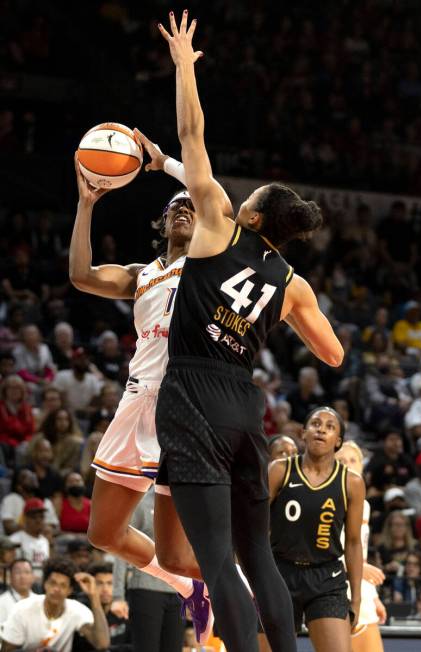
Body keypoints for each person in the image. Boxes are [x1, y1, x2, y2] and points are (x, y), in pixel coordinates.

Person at [155, 13, 343, 652]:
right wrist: (279, 313)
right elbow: (334, 353)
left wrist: (184, 63)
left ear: (253, 213)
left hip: (193, 392)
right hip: (245, 401)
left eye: (247, 196)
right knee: (257, 553)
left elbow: (190, 132)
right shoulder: (293, 283)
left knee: (215, 560)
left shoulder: (217, 224)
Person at [69, 133, 213, 644]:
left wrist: (172, 169)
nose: (182, 210)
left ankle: (236, 585)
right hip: (136, 398)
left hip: (184, 405)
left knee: (181, 543)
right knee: (102, 533)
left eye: (189, 207)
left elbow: (213, 194)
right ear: (161, 223)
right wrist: (87, 205)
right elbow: (82, 275)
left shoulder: (210, 265)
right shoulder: (142, 273)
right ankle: (187, 588)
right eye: (175, 206)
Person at [265, 407, 364, 652]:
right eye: (316, 424)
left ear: (338, 441)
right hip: (279, 573)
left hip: (326, 579)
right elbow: (253, 526)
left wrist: (357, 598)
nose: (321, 429)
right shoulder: (279, 470)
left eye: (330, 427)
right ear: (303, 433)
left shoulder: (351, 482)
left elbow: (353, 542)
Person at [112, 489, 185, 652]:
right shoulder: (141, 502)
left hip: (180, 592)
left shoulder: (188, 504)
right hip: (146, 588)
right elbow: (121, 547)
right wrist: (117, 595)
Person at [336, 441, 386, 652]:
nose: (348, 465)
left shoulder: (362, 504)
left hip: (359, 588)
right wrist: (358, 569)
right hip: (334, 588)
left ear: (361, 467)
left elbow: (361, 554)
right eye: (341, 460)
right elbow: (320, 551)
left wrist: (373, 596)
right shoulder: (326, 500)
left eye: (353, 460)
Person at [0, 557, 110, 652]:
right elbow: (6, 650)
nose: (57, 589)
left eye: (63, 585)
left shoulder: (77, 610)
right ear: (45, 584)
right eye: (53, 583)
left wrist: (94, 596)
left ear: (69, 590)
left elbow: (102, 644)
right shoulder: (22, 609)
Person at [0, 558, 35, 624]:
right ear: (10, 577)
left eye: (27, 572)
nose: (22, 576)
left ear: (33, 577)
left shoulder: (39, 601)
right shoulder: (1, 602)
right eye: (18, 572)